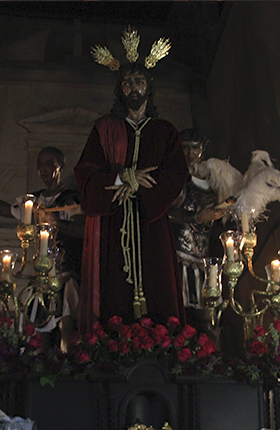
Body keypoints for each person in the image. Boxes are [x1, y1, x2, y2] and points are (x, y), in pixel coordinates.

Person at [74, 61, 188, 331]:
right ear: (119, 89)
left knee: (157, 280)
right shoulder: (104, 129)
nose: (133, 87)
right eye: (127, 82)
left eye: (139, 81)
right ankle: (113, 348)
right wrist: (122, 177)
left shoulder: (165, 131)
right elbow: (86, 173)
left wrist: (138, 185)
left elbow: (175, 174)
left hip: (152, 220)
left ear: (149, 87)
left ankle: (163, 343)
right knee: (114, 288)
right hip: (114, 223)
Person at [0, 146, 84, 346]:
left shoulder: (72, 199)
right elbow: (6, 210)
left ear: (61, 166)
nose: (43, 169)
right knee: (38, 325)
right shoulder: (32, 202)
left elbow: (83, 230)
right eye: (40, 164)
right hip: (40, 273)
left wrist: (57, 223)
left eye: (50, 164)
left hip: (66, 270)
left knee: (66, 322)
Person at [168, 128, 232, 331]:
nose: (189, 153)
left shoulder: (213, 182)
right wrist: (194, 217)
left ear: (202, 150)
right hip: (179, 255)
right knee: (177, 318)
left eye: (194, 148)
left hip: (205, 259)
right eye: (185, 148)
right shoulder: (177, 178)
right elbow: (165, 212)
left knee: (210, 319)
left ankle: (213, 360)